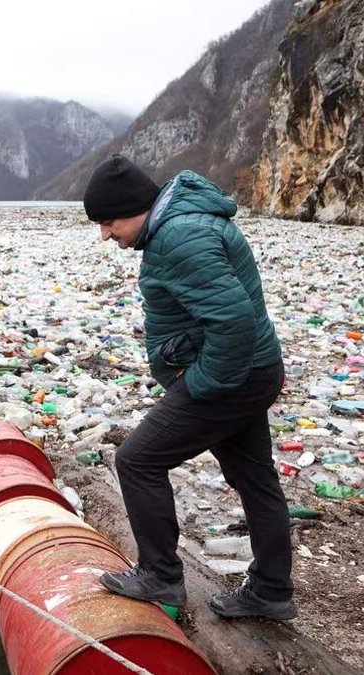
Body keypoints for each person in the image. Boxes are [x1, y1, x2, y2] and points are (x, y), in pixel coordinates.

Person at [82, 154, 295, 620]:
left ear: (136, 207)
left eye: (108, 221)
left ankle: (160, 575)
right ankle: (272, 589)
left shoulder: (179, 237)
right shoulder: (182, 224)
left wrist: (202, 386)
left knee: (136, 460)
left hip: (231, 378)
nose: (105, 234)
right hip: (254, 370)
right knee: (255, 478)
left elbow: (233, 322)